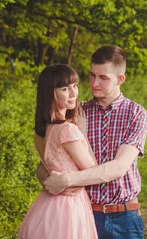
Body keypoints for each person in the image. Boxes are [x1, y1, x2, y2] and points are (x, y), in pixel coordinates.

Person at [43, 45, 147, 239]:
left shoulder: (136, 114)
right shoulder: (76, 112)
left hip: (125, 216)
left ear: (120, 79)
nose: (94, 83)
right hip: (84, 213)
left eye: (103, 77)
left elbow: (118, 168)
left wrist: (66, 180)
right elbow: (53, 155)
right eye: (92, 75)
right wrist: (45, 176)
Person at [18, 64, 98, 239]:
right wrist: (82, 131)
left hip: (46, 204)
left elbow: (46, 163)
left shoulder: (42, 129)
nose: (73, 93)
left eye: (75, 86)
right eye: (64, 88)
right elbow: (93, 170)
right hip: (67, 208)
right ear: (50, 93)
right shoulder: (66, 130)